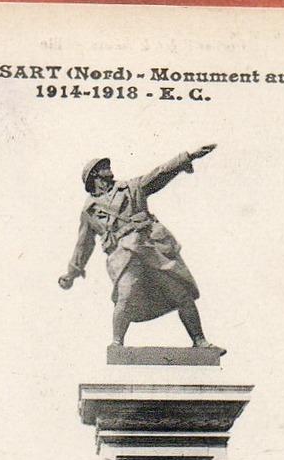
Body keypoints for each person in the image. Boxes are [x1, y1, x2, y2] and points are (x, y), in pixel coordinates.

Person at [58, 145, 224, 350]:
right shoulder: (89, 211)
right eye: (104, 166)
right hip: (123, 255)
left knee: (181, 293)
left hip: (150, 246)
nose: (109, 167)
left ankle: (200, 341)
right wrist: (72, 273)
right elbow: (83, 244)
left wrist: (186, 158)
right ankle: (117, 346)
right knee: (125, 296)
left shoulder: (131, 187)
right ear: (94, 175)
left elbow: (159, 174)